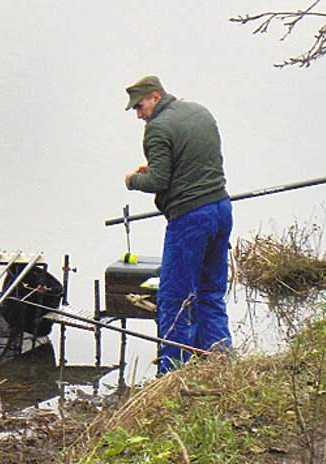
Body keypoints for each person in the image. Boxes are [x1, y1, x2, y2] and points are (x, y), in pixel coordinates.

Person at [123, 75, 233, 375]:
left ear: (156, 97)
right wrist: (159, 167)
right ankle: (220, 363)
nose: (139, 114)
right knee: (210, 291)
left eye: (140, 106)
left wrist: (134, 181)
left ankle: (172, 374)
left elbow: (159, 181)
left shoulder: (157, 128)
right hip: (221, 209)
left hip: (190, 219)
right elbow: (197, 160)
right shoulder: (199, 111)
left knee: (174, 297)